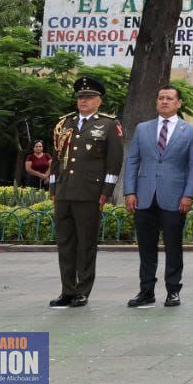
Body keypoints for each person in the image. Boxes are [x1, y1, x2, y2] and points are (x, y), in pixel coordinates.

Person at [123, 85, 193, 308]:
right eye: (160, 98)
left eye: (169, 98)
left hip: (175, 198)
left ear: (179, 103)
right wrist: (130, 191)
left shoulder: (190, 131)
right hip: (144, 196)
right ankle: (146, 291)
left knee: (173, 246)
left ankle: (173, 290)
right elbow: (132, 161)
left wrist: (189, 195)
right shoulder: (142, 128)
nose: (164, 101)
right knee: (146, 247)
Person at [49, 75, 124, 308]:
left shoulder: (109, 125)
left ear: (99, 101)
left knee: (86, 244)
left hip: (90, 192)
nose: (83, 101)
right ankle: (67, 290)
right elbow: (56, 159)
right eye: (80, 97)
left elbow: (114, 162)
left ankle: (82, 290)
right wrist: (53, 187)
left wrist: (106, 191)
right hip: (64, 191)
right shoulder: (65, 124)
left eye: (89, 97)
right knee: (65, 243)